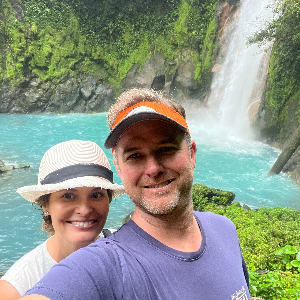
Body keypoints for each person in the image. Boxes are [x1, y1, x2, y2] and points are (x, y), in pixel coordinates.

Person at [21, 89, 250, 299]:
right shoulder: (106, 265)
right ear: (118, 167)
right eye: (134, 156)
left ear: (191, 154)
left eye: (166, 149)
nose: (153, 169)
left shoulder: (224, 229)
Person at [0, 140, 124, 300]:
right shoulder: (16, 288)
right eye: (68, 196)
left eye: (95, 195)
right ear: (45, 204)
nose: (85, 210)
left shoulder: (127, 249)